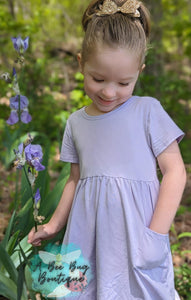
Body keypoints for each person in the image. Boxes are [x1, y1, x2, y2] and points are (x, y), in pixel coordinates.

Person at [28, 0, 187, 299]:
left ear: (139, 71)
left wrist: (156, 233)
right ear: (80, 63)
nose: (109, 92)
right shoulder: (76, 123)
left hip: (138, 233)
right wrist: (53, 224)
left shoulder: (147, 111)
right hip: (88, 232)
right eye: (98, 79)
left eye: (124, 82)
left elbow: (175, 171)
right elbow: (75, 180)